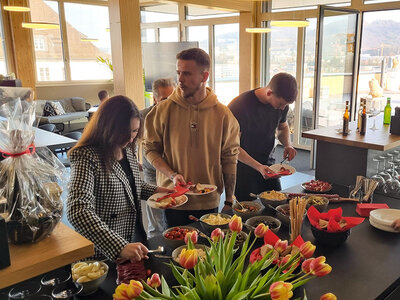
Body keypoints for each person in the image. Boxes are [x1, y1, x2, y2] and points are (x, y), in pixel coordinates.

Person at [67, 95, 173, 262]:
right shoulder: (86, 156)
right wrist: (118, 246)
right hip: (105, 252)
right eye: (125, 132)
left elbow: (131, 185)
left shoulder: (127, 149)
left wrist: (157, 191)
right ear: (107, 127)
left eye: (135, 131)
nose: (130, 138)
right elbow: (78, 210)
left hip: (135, 238)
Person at [143, 48, 240, 227]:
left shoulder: (223, 114)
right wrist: (172, 175)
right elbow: (149, 149)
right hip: (174, 200)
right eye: (178, 73)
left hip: (209, 201)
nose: (180, 79)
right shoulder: (162, 111)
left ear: (204, 77)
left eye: (187, 73)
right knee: (176, 253)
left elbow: (230, 158)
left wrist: (229, 199)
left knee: (209, 252)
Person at [228, 72, 298, 201]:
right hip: (244, 168)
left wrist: (288, 144)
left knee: (276, 203)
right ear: (269, 93)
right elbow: (232, 147)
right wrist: (258, 166)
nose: (283, 108)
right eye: (281, 103)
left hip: (269, 164)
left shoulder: (282, 106)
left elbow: (283, 127)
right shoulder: (240, 105)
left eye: (286, 105)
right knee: (249, 211)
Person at [140, 78, 176, 238]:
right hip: (152, 174)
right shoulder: (143, 116)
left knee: (173, 218)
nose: (170, 103)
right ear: (154, 99)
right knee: (156, 223)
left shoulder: (179, 114)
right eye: (164, 99)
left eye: (173, 97)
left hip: (173, 174)